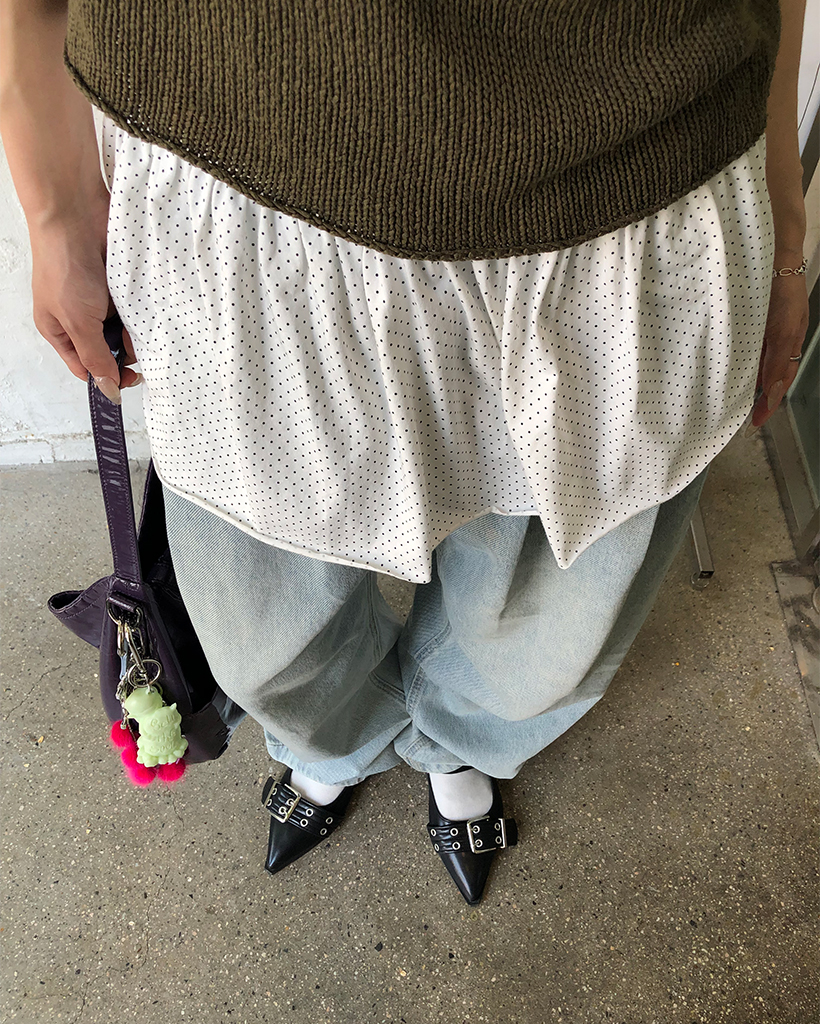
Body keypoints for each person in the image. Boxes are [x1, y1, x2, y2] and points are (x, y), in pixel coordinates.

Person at [0, 1, 808, 906]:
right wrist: (54, 206)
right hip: (235, 172)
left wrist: (785, 224)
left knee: (546, 622)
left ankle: (460, 744)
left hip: (639, 183)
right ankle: (331, 745)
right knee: (262, 623)